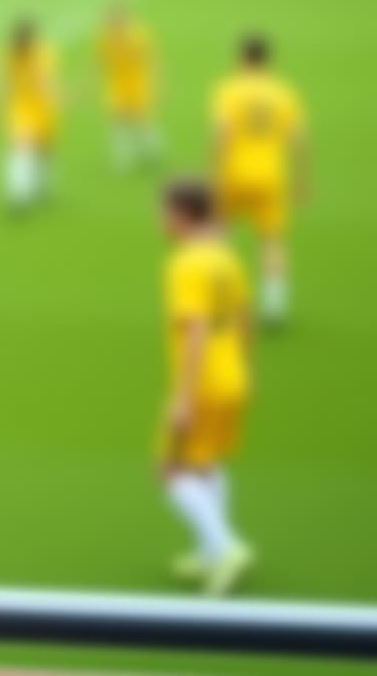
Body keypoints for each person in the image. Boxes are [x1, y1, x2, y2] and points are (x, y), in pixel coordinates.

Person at [160, 179, 254, 596]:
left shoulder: (185, 262)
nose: (159, 220)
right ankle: (207, 552)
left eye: (163, 211)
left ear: (182, 214)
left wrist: (183, 397)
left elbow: (196, 327)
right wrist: (247, 369)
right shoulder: (225, 256)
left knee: (171, 470)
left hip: (204, 381)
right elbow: (245, 317)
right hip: (234, 375)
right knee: (207, 461)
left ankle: (226, 546)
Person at [211, 34, 307, 324]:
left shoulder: (229, 89)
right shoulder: (284, 92)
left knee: (220, 235)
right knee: (272, 239)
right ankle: (274, 303)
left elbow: (222, 133)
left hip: (233, 174)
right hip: (272, 174)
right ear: (268, 59)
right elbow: (299, 139)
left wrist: (211, 173)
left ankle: (222, 301)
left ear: (241, 58)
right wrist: (302, 180)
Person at [2, 16, 60, 208]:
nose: (22, 45)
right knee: (21, 149)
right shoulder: (8, 55)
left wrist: (53, 95)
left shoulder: (45, 54)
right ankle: (18, 194)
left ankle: (40, 187)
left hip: (42, 108)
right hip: (20, 108)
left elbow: (46, 81)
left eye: (26, 41)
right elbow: (7, 83)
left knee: (43, 150)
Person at [96, 2, 160, 171]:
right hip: (117, 86)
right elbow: (102, 60)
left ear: (125, 20)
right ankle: (123, 157)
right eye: (110, 21)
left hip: (137, 84)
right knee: (117, 121)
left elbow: (150, 60)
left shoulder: (139, 36)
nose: (112, 24)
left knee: (141, 120)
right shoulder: (105, 37)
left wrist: (154, 81)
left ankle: (152, 149)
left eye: (116, 21)